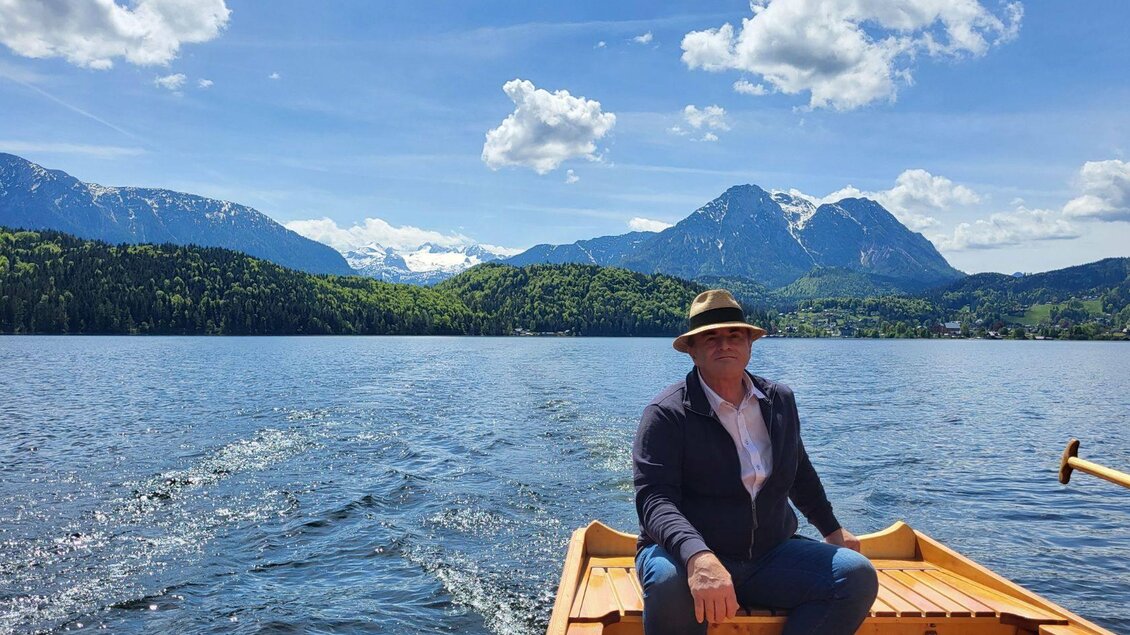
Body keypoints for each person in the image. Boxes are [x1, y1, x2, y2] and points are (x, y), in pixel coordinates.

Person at [632, 289, 878, 635]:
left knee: (854, 575)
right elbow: (655, 501)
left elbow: (799, 471)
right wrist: (698, 557)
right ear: (692, 350)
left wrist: (831, 530)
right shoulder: (666, 415)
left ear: (749, 343)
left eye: (734, 335)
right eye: (711, 337)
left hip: (769, 555)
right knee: (668, 585)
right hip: (683, 554)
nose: (725, 344)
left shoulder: (779, 401)